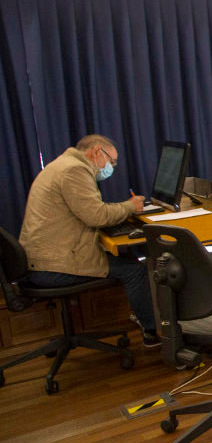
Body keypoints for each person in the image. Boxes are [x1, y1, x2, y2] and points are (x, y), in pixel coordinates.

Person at [19, 134, 159, 347]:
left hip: (43, 258)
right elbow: (96, 216)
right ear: (96, 152)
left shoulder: (64, 164)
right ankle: (153, 332)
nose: (112, 166)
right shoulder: (74, 170)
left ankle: (148, 321)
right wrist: (131, 206)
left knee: (127, 257)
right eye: (111, 161)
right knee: (135, 271)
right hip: (52, 266)